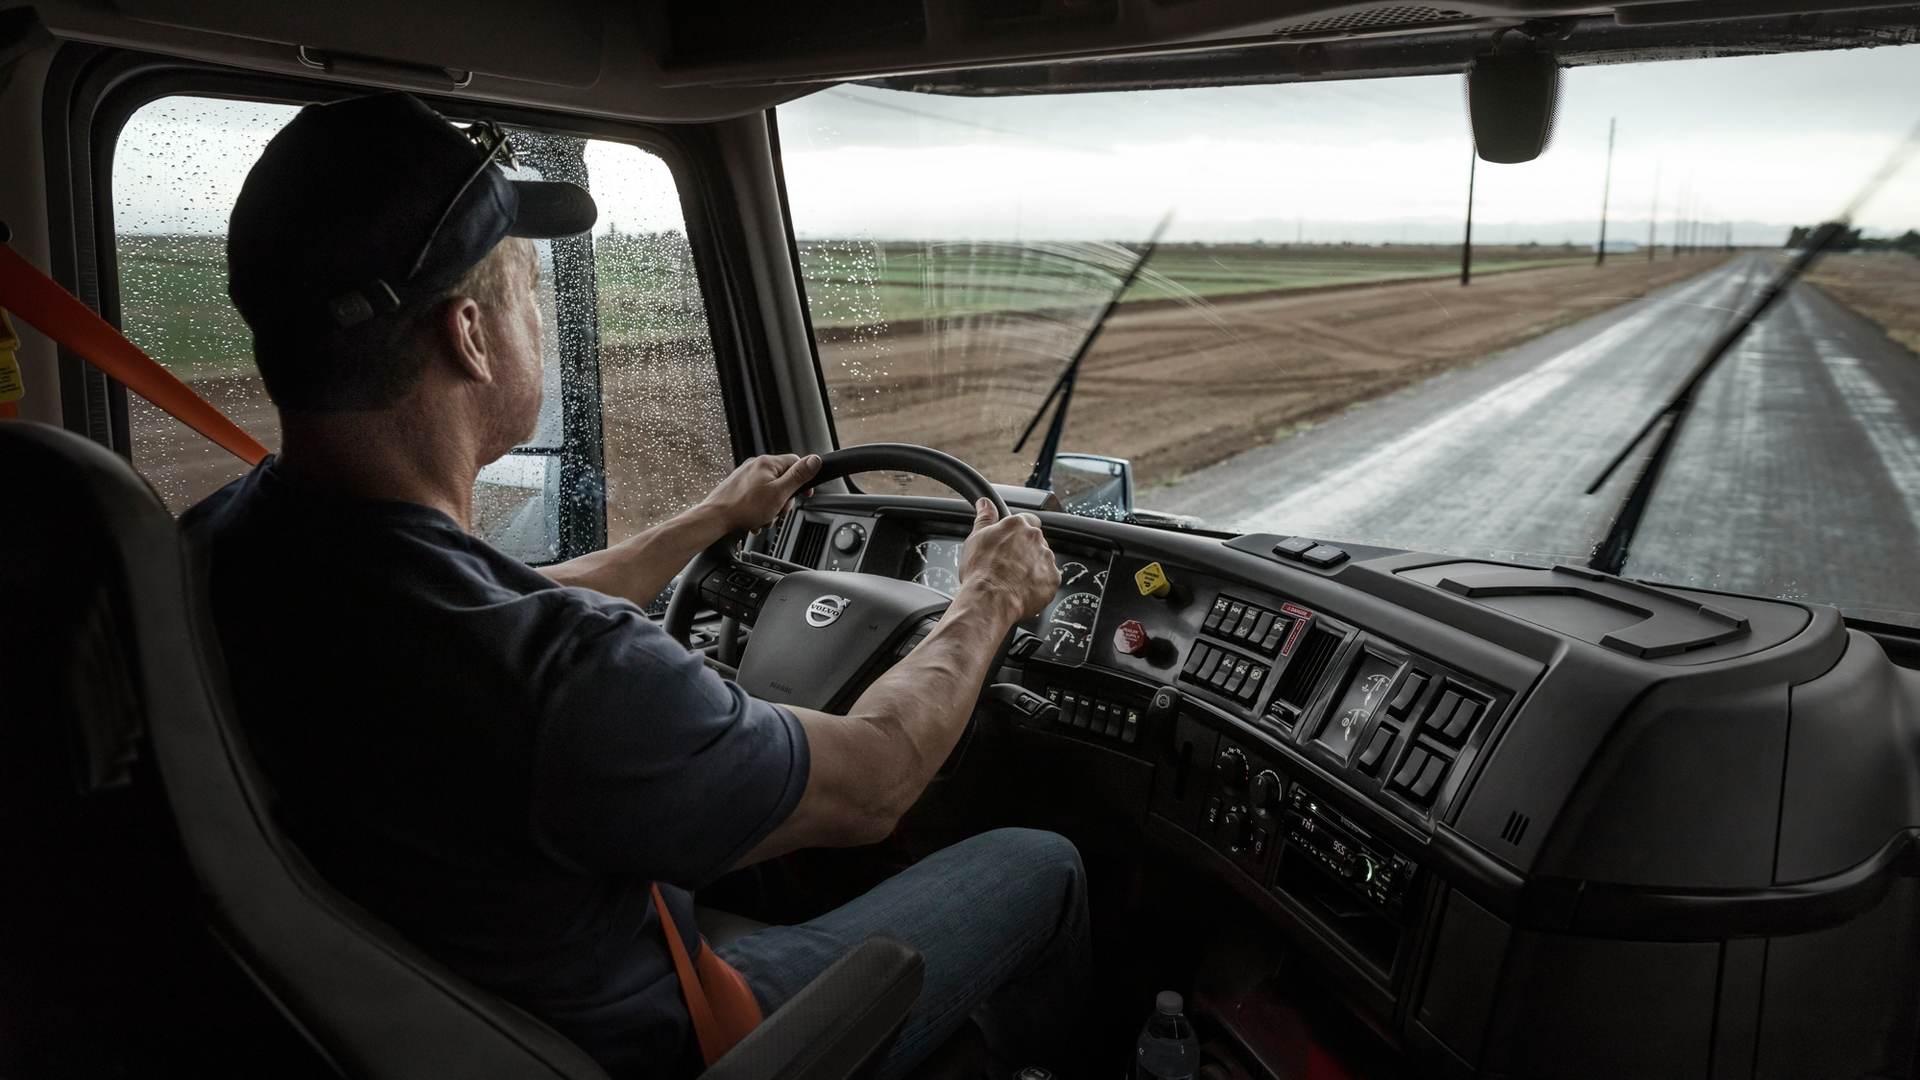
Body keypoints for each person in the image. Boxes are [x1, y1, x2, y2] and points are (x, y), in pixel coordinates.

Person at [183, 91, 1088, 1079]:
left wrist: (708, 521)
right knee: (1042, 863)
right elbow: (875, 781)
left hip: (433, 1015)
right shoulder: (568, 683)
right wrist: (987, 598)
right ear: (471, 335)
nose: (542, 318)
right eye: (533, 289)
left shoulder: (236, 543)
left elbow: (511, 604)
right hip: (661, 1042)